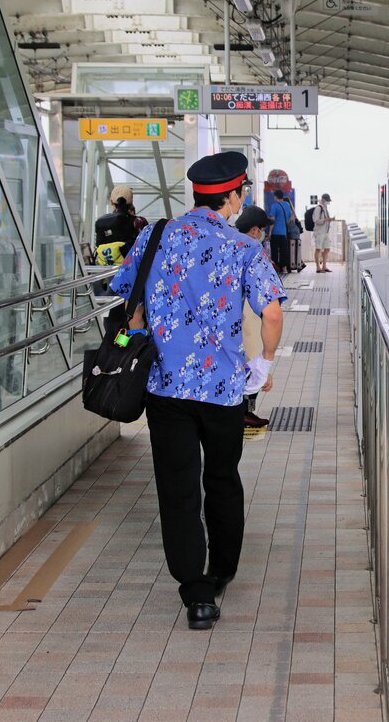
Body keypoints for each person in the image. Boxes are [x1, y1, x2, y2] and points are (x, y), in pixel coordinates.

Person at [109, 151, 286, 630]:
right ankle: (222, 570)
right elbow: (271, 312)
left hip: (165, 389)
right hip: (223, 393)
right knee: (222, 478)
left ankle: (197, 593)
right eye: (242, 191)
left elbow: (128, 298)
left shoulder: (155, 235)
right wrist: (261, 365)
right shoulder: (245, 249)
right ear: (232, 196)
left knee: (178, 487)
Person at [234, 205, 274, 428]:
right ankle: (243, 413)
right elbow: (269, 311)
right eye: (262, 230)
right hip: (245, 322)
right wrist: (265, 360)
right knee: (250, 368)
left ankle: (243, 412)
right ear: (254, 230)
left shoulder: (228, 244)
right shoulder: (252, 251)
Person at [94, 185, 147, 265]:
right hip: (132, 269)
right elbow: (146, 247)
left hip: (107, 270)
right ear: (131, 201)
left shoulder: (102, 222)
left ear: (111, 202)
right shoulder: (139, 221)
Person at [268, 189, 292, 273]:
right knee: (283, 251)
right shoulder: (287, 205)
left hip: (275, 232)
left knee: (274, 251)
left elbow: (272, 220)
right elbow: (290, 219)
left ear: (275, 196)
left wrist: (270, 232)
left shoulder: (274, 206)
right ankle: (284, 267)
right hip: (283, 232)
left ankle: (276, 268)